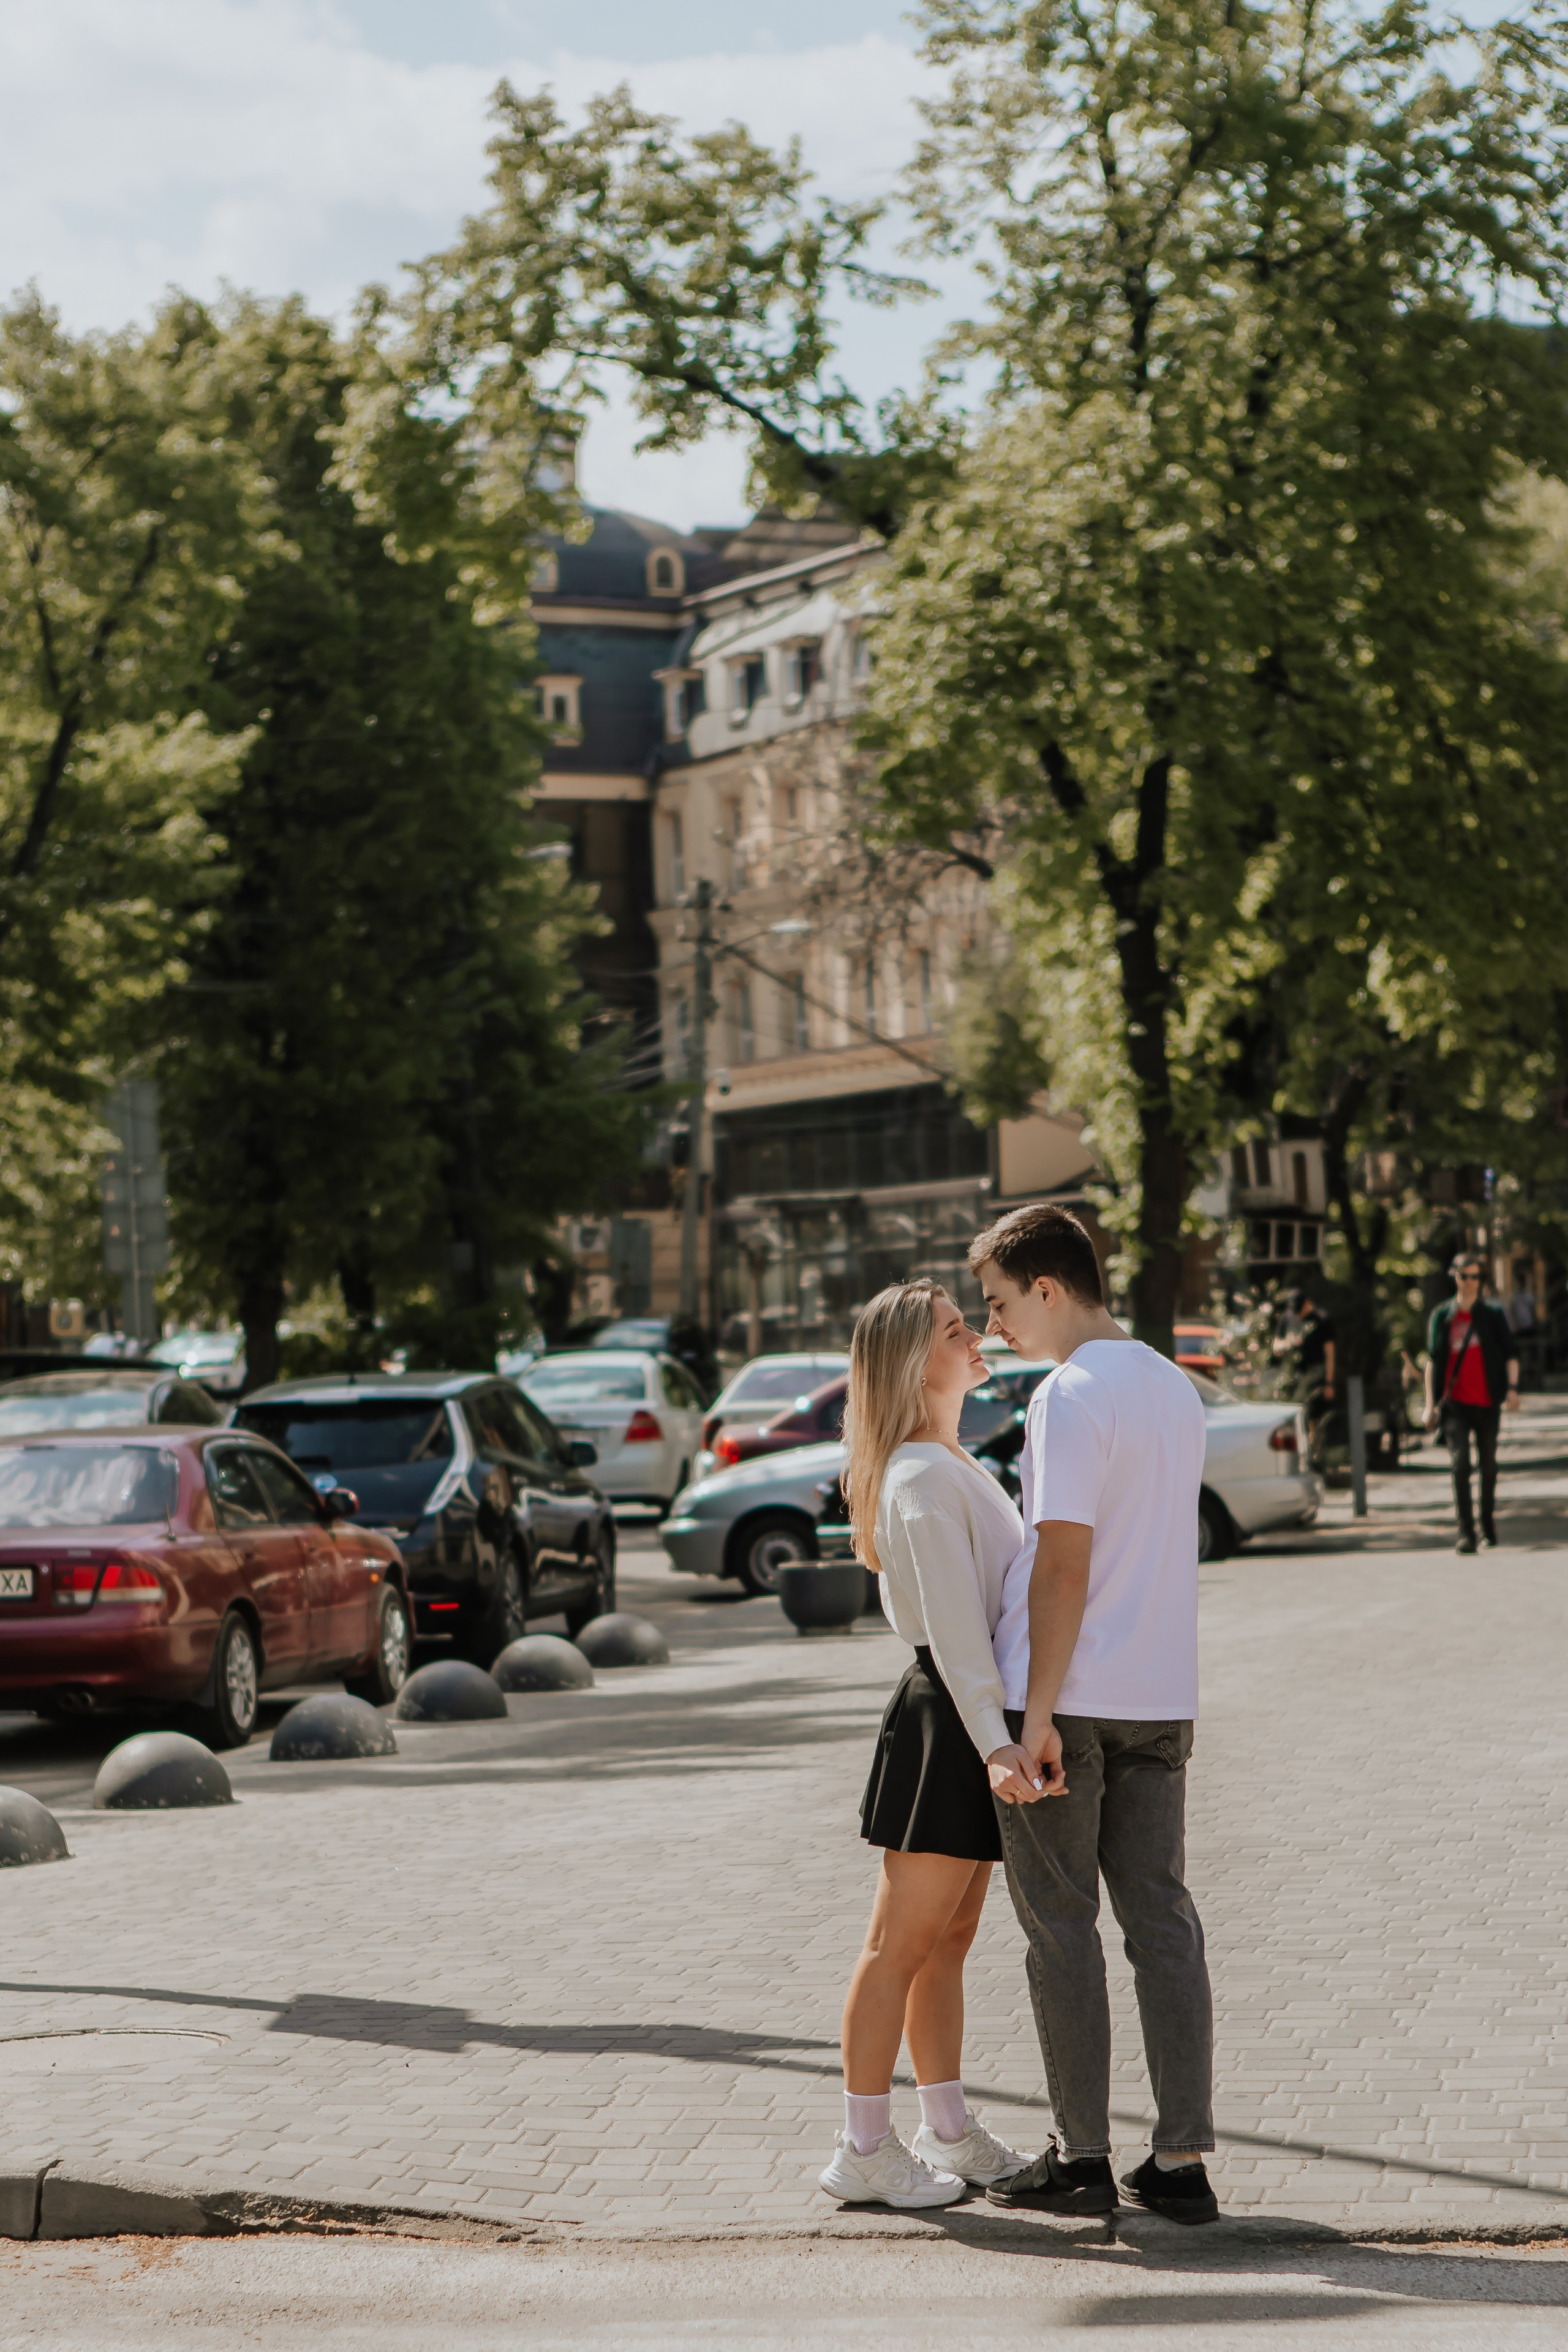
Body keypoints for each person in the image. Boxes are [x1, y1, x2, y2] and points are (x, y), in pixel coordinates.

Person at [970, 1204, 1220, 2227]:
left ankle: (1081, 2161)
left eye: (998, 1303)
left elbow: (1062, 1563)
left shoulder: (1069, 1395)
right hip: (1164, 1696)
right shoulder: (1175, 1386)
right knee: (1162, 1918)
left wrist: (1034, 1721)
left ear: (1048, 1287)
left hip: (1069, 1699)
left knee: (1059, 1926)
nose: (994, 1328)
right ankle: (1182, 2160)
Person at [818, 1277, 1037, 2210]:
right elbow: (955, 1631)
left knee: (945, 1942)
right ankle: (862, 2148)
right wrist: (996, 1740)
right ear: (917, 1361)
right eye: (957, 1329)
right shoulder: (921, 1477)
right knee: (898, 1946)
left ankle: (945, 2129)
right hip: (952, 1715)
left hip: (964, 1714)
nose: (979, 1334)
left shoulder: (946, 1462)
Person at [1423, 1256, 1520, 1555]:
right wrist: (1429, 1404)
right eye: (1465, 1276)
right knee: (1460, 1464)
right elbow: (1431, 1361)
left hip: (1488, 1401)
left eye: (1476, 1277)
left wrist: (1513, 1389)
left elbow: (1510, 1354)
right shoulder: (1442, 1315)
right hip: (1455, 1404)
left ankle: (1487, 1523)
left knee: (1488, 1465)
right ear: (1454, 1276)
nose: (1470, 1282)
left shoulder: (1492, 1313)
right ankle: (1466, 1533)